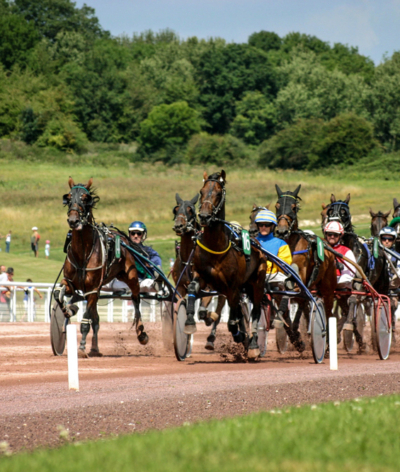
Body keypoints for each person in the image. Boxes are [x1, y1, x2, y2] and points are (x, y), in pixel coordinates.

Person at [254, 210, 297, 336]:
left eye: (267, 225)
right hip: (256, 276)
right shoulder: (251, 242)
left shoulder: (281, 243)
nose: (263, 227)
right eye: (261, 224)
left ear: (272, 226)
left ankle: (281, 312)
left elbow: (285, 264)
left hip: (274, 275)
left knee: (287, 282)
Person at [324, 221, 357, 342]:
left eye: (335, 235)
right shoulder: (321, 250)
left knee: (345, 309)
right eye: (329, 234)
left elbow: (350, 274)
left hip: (341, 286)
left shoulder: (346, 251)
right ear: (325, 234)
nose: (332, 237)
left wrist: (333, 283)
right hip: (324, 286)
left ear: (340, 236)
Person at [379, 226, 400, 339]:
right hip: (376, 288)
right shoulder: (375, 254)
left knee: (393, 304)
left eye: (390, 239)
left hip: (392, 289)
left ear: (394, 240)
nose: (386, 241)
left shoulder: (397, 256)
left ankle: (390, 325)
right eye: (384, 238)